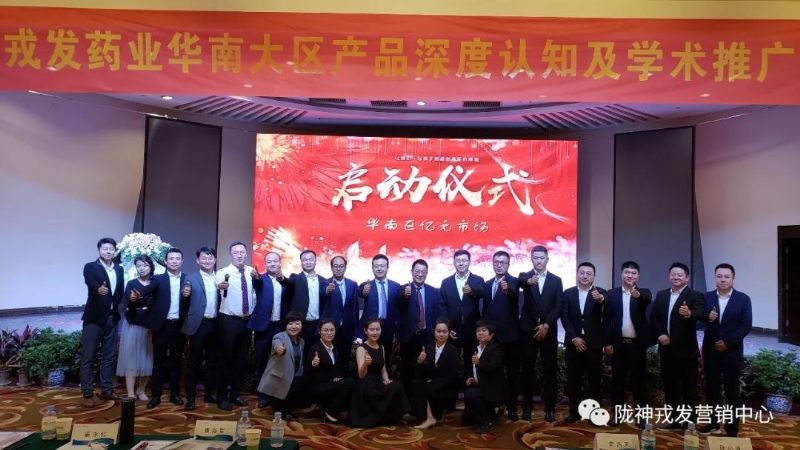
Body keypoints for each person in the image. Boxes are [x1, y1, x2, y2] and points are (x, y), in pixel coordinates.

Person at [700, 263, 752, 437]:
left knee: (732, 392)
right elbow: (699, 320)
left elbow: (746, 325)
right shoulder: (706, 297)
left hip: (732, 351)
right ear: (715, 278)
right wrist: (707, 317)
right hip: (711, 350)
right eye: (719, 276)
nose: (723, 279)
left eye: (726, 276)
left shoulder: (743, 299)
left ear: (733, 278)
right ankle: (713, 424)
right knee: (712, 389)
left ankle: (732, 429)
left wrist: (727, 343)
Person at [650, 262, 704, 429]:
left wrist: (690, 313)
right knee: (670, 386)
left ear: (686, 278)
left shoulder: (695, 295)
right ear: (669, 276)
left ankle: (690, 422)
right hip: (666, 348)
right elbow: (654, 317)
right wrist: (661, 334)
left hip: (686, 350)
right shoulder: (661, 295)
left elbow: (701, 314)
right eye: (673, 274)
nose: (676, 277)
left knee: (689, 388)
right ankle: (673, 419)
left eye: (679, 275)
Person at [604, 261, 653, 427]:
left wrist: (636, 294)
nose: (629, 275)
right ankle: (617, 414)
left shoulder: (644, 293)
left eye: (633, 273)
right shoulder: (612, 294)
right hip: (618, 345)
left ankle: (642, 416)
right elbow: (607, 320)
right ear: (621, 274)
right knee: (617, 381)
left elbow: (646, 299)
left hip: (637, 345)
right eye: (627, 272)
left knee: (639, 382)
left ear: (638, 276)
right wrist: (607, 342)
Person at [216, 241, 263, 411]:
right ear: (231, 255)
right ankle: (222, 397)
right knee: (225, 360)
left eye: (242, 252)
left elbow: (257, 291)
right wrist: (221, 286)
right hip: (228, 320)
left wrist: (258, 280)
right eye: (236, 252)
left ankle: (235, 394)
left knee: (240, 360)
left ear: (246, 254)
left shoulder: (252, 272)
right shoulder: (223, 272)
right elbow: (218, 284)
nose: (239, 255)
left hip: (246, 321)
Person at [518, 245, 563, 422]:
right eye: (535, 258)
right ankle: (527, 408)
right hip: (528, 330)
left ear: (547, 259)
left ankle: (550, 408)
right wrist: (529, 282)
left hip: (548, 331)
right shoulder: (525, 276)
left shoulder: (556, 280)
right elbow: (520, 281)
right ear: (531, 259)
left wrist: (546, 324)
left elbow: (558, 305)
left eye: (541, 258)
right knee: (527, 371)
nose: (538, 261)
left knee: (550, 370)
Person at [80, 237, 125, 407]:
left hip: (112, 318)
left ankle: (107, 391)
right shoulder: (91, 266)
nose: (108, 251)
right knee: (88, 357)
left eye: (111, 248)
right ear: (99, 250)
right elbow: (90, 281)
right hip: (94, 319)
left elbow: (119, 292)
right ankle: (87, 393)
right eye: (105, 248)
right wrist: (97, 288)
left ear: (115, 251)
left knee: (109, 357)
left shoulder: (119, 269)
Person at [561, 262, 607, 424]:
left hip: (593, 344)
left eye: (589, 273)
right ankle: (574, 412)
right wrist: (574, 337)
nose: (585, 276)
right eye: (582, 273)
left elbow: (606, 305)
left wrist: (601, 299)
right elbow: (564, 317)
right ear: (577, 274)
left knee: (594, 381)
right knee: (573, 380)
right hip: (573, 343)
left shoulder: (600, 292)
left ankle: (595, 414)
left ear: (594, 276)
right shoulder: (568, 293)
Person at [147, 247, 190, 409]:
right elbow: (149, 300)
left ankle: (175, 394)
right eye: (171, 258)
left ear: (182, 261)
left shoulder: (187, 279)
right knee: (158, 361)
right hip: (162, 326)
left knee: (176, 362)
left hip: (179, 326)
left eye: (177, 258)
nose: (174, 261)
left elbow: (191, 303)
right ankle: (155, 395)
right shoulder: (157, 279)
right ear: (166, 261)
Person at [482, 250, 522, 421]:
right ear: (492, 263)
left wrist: (507, 290)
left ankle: (512, 408)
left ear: (508, 265)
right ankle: (494, 406)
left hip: (510, 338)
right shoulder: (487, 284)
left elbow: (513, 294)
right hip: (492, 338)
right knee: (493, 374)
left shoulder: (514, 282)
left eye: (503, 263)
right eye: (496, 262)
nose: (499, 265)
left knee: (512, 374)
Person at [350, 317, 411, 428]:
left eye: (377, 329)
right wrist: (366, 364)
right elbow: (361, 375)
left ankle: (400, 414)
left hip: (378, 381)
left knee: (396, 386)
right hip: (366, 384)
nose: (375, 332)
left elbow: (383, 369)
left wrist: (386, 379)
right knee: (372, 391)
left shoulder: (381, 347)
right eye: (372, 329)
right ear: (365, 331)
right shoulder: (361, 349)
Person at [250, 251, 291, 408]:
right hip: (263, 327)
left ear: (280, 263)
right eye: (269, 262)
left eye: (275, 261)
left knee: (277, 362)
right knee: (261, 361)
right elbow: (256, 283)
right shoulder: (261, 279)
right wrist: (255, 277)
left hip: (280, 327)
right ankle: (262, 394)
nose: (272, 264)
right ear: (265, 264)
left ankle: (275, 392)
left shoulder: (286, 282)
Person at [182, 246, 220, 410]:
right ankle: (190, 397)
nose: (207, 261)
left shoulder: (220, 277)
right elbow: (185, 296)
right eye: (203, 258)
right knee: (193, 362)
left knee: (212, 361)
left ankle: (209, 393)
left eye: (210, 258)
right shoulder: (191, 278)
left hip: (216, 324)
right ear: (198, 260)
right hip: (198, 324)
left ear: (215, 260)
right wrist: (185, 294)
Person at [116, 255, 158, 401]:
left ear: (151, 267)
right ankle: (130, 393)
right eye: (139, 265)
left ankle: (141, 390)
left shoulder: (156, 283)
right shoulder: (131, 283)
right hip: (132, 324)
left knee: (147, 358)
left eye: (145, 265)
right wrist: (133, 300)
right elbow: (126, 302)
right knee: (131, 359)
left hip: (148, 325)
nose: (142, 268)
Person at [397, 259, 440, 395]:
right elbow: (399, 300)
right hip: (409, 337)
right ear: (411, 272)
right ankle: (408, 402)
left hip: (427, 336)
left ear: (427, 273)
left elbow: (438, 313)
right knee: (407, 372)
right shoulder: (404, 289)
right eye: (417, 271)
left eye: (423, 272)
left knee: (426, 370)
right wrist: (405, 294)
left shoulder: (434, 291)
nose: (420, 274)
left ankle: (424, 401)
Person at [438, 249, 486, 368]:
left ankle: (470, 379)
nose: (461, 263)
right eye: (458, 260)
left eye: (464, 260)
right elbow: (442, 307)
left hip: (473, 330)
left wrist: (472, 291)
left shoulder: (478, 280)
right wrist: (447, 328)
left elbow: (483, 293)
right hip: (453, 330)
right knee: (451, 363)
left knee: (471, 362)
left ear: (469, 262)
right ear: (454, 262)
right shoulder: (446, 282)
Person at [413, 318, 462, 430]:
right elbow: (423, 371)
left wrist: (435, 383)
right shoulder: (429, 347)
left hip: (446, 386)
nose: (441, 334)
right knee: (417, 383)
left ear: (449, 333)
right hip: (432, 384)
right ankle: (427, 416)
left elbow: (455, 375)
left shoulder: (452, 350)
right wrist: (420, 362)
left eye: (444, 331)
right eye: (438, 331)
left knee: (426, 387)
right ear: (434, 332)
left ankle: (430, 418)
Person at [257, 312, 307, 421]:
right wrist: (279, 349)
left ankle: (286, 410)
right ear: (286, 325)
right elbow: (277, 344)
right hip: (279, 379)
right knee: (280, 409)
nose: (294, 326)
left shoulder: (301, 341)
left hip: (293, 378)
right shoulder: (279, 336)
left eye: (297, 323)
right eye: (290, 323)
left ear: (302, 325)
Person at [306, 319, 355, 423]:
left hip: (331, 383)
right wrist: (313, 364)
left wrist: (337, 377)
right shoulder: (315, 348)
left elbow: (335, 368)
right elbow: (308, 370)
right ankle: (331, 411)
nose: (329, 333)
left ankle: (333, 410)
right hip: (319, 386)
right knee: (350, 382)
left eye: (332, 330)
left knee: (350, 381)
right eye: (325, 330)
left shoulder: (334, 348)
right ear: (319, 331)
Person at [279, 250, 329, 351]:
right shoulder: (295, 278)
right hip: (301, 324)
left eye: (311, 259)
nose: (308, 262)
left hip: (318, 325)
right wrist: (281, 278)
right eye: (305, 260)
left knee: (316, 353)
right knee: (299, 354)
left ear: (315, 261)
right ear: (301, 262)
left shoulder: (323, 280)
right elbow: (287, 282)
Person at [462, 320, 505, 434]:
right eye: (478, 331)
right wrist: (469, 377)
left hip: (492, 388)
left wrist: (479, 362)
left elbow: (492, 367)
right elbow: (470, 367)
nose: (480, 333)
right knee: (465, 421)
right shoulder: (475, 348)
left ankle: (486, 422)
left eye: (484, 330)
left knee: (470, 394)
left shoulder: (496, 348)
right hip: (479, 385)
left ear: (491, 334)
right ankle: (491, 414)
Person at [360, 254, 402, 363]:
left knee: (386, 359)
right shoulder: (366, 285)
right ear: (372, 268)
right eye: (376, 266)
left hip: (389, 329)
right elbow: (361, 293)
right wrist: (364, 292)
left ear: (387, 267)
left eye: (382, 266)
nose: (379, 269)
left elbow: (400, 308)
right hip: (371, 329)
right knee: (369, 360)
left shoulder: (396, 286)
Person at [321, 256, 360, 374]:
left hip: (348, 328)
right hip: (330, 329)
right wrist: (327, 291)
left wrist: (356, 329)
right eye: (336, 266)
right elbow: (321, 300)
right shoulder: (324, 283)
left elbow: (355, 307)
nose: (338, 269)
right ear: (331, 267)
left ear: (345, 267)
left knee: (345, 358)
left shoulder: (353, 284)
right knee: (330, 357)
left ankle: (342, 379)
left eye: (341, 266)